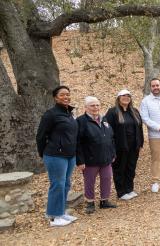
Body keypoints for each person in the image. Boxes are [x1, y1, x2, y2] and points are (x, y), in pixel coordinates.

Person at [36, 85, 78, 227]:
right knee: (58, 185)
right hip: (55, 156)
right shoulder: (50, 114)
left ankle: (60, 212)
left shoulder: (69, 114)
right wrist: (44, 153)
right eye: (62, 95)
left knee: (66, 184)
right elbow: (40, 136)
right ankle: (54, 218)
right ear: (55, 97)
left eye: (67, 94)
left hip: (70, 155)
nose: (66, 97)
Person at [76, 96, 117, 214]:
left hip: (106, 157)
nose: (95, 108)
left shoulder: (104, 119)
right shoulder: (81, 121)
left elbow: (111, 138)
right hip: (90, 159)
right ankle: (90, 203)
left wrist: (113, 153)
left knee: (107, 179)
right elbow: (77, 142)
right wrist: (80, 160)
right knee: (89, 181)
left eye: (97, 105)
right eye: (92, 105)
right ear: (86, 107)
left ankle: (104, 201)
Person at [106, 89, 144, 200]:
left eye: (128, 96)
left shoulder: (134, 111)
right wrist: (111, 147)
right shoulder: (112, 112)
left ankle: (129, 189)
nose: (126, 97)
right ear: (118, 98)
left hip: (133, 146)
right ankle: (121, 192)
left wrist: (140, 143)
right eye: (123, 95)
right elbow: (108, 131)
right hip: (120, 147)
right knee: (120, 169)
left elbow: (140, 128)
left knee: (131, 168)